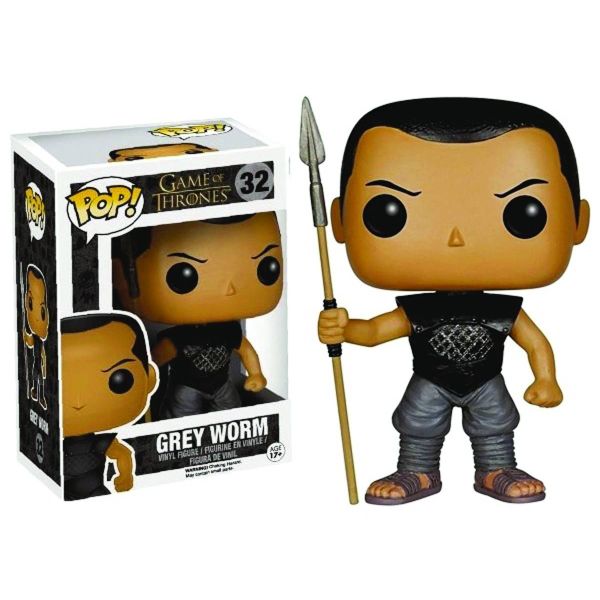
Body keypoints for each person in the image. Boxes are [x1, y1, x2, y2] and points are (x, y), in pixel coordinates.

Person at [318, 98, 589, 504]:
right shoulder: (419, 311)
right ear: (340, 221)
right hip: (431, 379)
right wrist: (345, 329)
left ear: (578, 222)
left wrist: (546, 378)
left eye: (524, 212)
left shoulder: (503, 312)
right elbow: (374, 332)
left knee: (495, 426)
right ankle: (417, 471)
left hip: (486, 380)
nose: (456, 237)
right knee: (418, 426)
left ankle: (496, 469)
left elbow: (536, 344)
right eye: (389, 212)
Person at [113, 212, 283, 419]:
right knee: (182, 412)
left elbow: (245, 350)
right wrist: (147, 373)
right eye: (183, 277)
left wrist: (256, 373)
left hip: (220, 384)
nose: (229, 289)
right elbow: (159, 356)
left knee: (230, 408)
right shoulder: (181, 335)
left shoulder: (228, 329)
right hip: (188, 386)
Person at [61, 313, 157, 500]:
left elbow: (122, 455)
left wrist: (125, 476)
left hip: (93, 490)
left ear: (149, 379)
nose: (79, 402)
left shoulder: (100, 443)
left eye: (119, 380)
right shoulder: (51, 442)